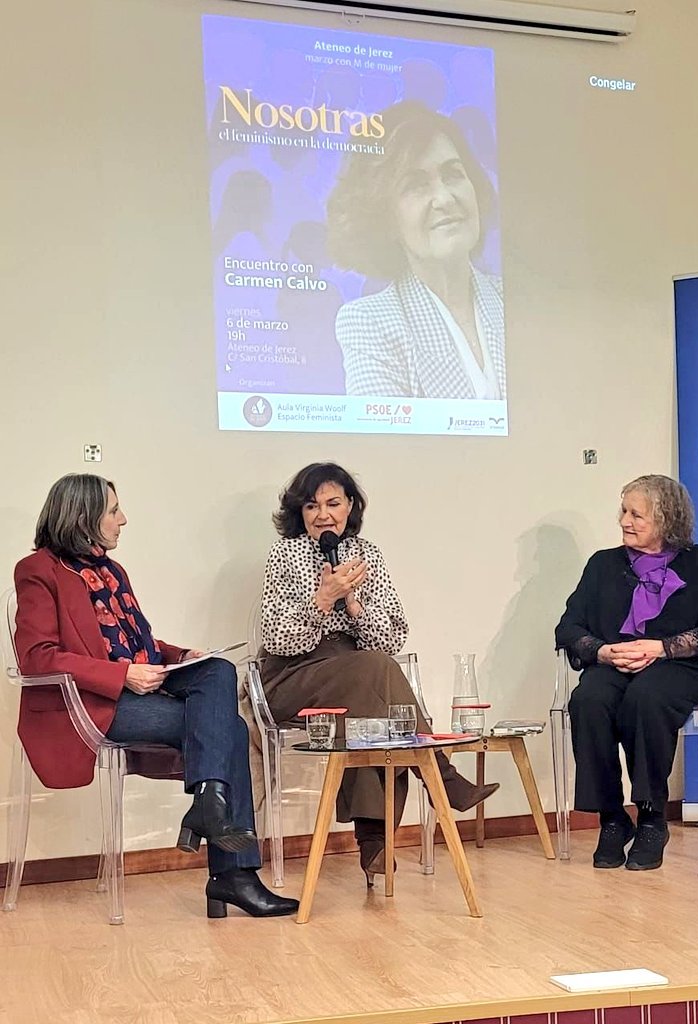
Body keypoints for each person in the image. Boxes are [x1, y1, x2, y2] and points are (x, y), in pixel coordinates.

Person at [13, 474, 298, 919]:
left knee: (217, 670)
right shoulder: (37, 571)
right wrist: (121, 675)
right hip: (90, 705)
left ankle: (208, 807)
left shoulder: (111, 570)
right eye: (113, 510)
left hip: (140, 687)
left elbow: (134, 641)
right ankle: (232, 875)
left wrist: (181, 656)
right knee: (232, 730)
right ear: (83, 516)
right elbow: (37, 657)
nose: (122, 520)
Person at [259, 462, 499, 885]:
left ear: (351, 506)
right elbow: (278, 638)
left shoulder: (368, 554)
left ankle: (375, 841)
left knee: (376, 699)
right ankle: (438, 776)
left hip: (357, 673)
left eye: (333, 503)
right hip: (292, 676)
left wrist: (352, 603)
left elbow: (391, 640)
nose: (323, 515)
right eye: (312, 506)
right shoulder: (284, 554)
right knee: (376, 678)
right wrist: (322, 601)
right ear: (300, 512)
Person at [555, 474, 698, 871]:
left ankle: (651, 817)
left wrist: (662, 647)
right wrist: (604, 652)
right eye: (623, 511)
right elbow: (569, 627)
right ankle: (612, 817)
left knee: (647, 697)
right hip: (615, 663)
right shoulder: (602, 564)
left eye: (636, 514)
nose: (625, 520)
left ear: (666, 518)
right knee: (588, 700)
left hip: (677, 667)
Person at [327, 101, 505, 400]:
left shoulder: (515, 302)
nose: (445, 198)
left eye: (453, 174)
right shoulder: (369, 323)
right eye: (416, 185)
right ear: (384, 216)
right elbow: (382, 445)